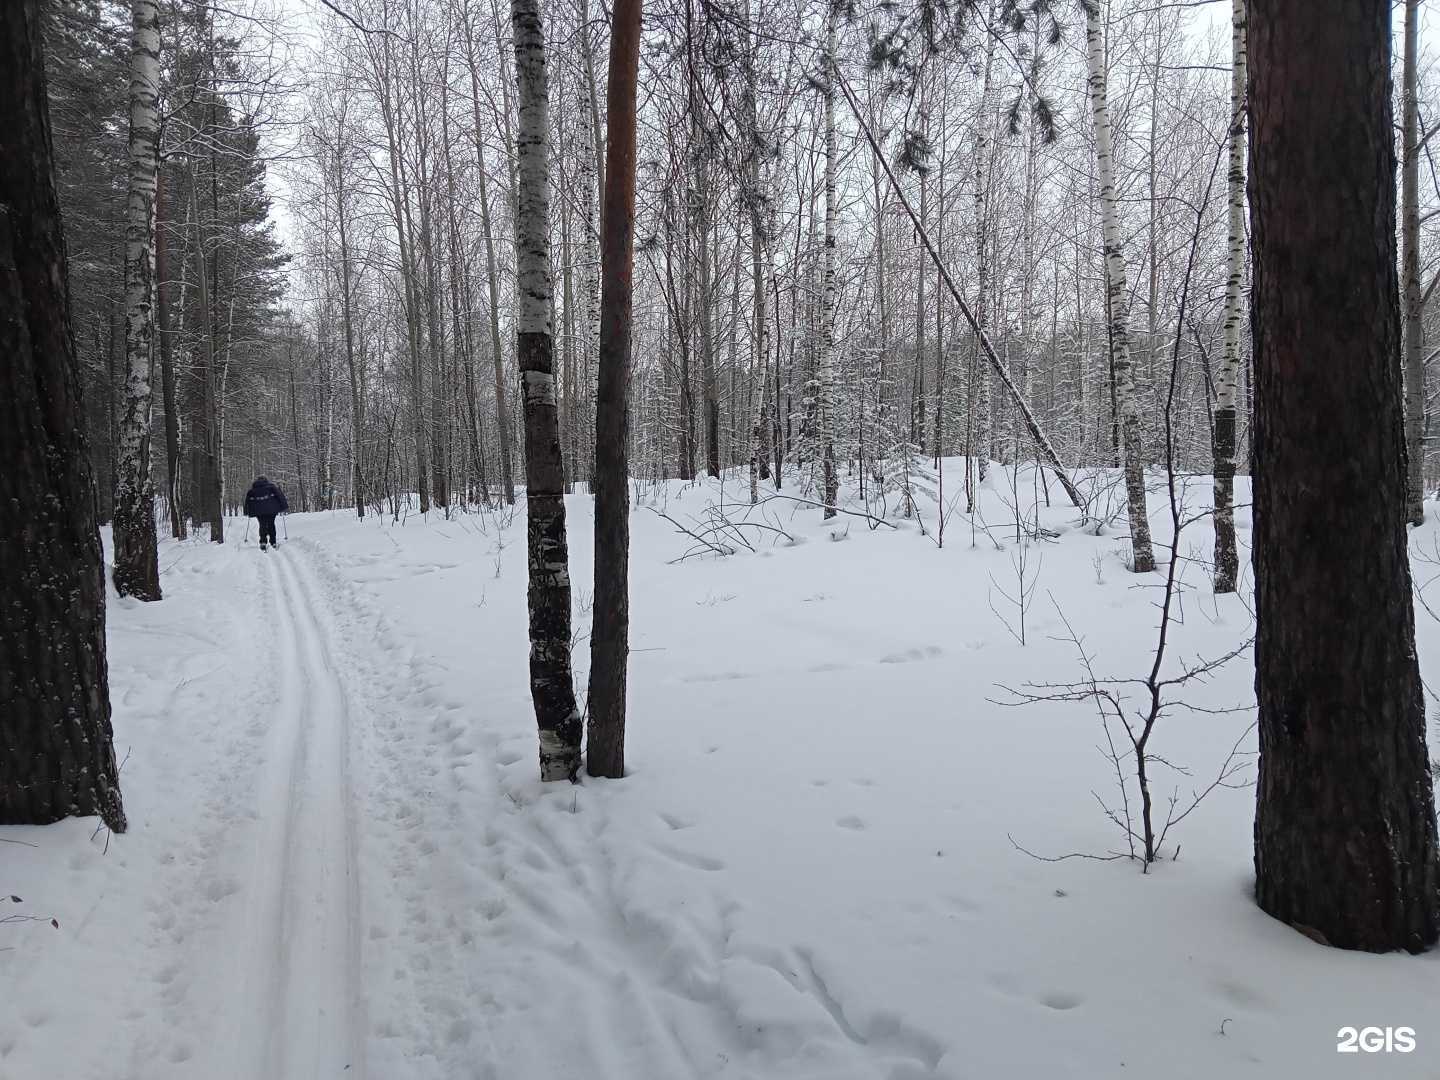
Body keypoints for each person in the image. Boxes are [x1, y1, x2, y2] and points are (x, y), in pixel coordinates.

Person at [243, 475, 289, 550]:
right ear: (266, 480)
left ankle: (263, 542)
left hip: (259, 511)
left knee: (262, 525)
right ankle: (273, 542)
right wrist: (284, 506)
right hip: (272, 510)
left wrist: (246, 511)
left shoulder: (252, 490)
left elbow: (248, 501)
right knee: (271, 524)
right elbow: (280, 496)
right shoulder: (272, 487)